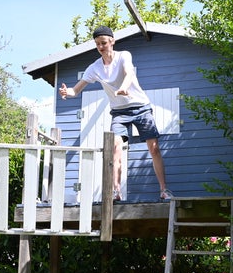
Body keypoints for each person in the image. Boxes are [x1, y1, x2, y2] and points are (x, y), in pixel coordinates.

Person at [58, 25, 172, 201]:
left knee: (154, 148)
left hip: (140, 106)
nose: (101, 47)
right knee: (116, 147)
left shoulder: (123, 56)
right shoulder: (94, 67)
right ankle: (116, 192)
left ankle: (164, 190)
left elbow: (128, 73)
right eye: (97, 44)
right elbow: (77, 89)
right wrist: (68, 92)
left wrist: (124, 88)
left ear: (112, 41)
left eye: (103, 43)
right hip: (119, 112)